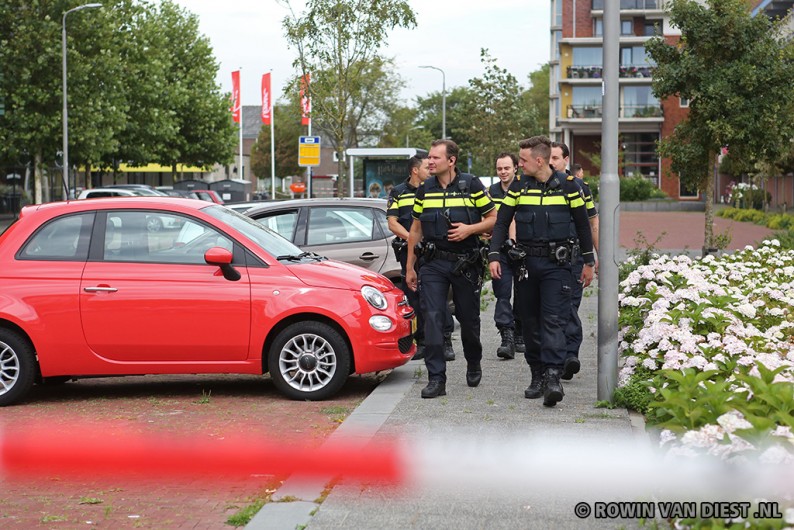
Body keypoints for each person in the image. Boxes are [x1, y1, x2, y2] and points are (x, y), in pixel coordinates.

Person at [489, 136, 594, 407]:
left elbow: (583, 226)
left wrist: (588, 262)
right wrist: (493, 255)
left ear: (539, 160)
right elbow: (501, 223)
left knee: (553, 321)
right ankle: (536, 374)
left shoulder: (569, 187)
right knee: (531, 323)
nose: (518, 164)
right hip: (526, 266)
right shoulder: (519, 187)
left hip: (557, 267)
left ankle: (552, 377)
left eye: (522, 160)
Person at [406, 139, 496, 398]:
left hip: (465, 262)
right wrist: (411, 267)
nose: (430, 162)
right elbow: (415, 229)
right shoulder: (424, 190)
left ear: (451, 161)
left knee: (468, 320)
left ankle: (474, 360)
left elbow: (493, 218)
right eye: (429, 158)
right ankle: (437, 379)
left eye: (435, 158)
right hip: (433, 264)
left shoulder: (472, 185)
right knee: (432, 318)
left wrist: (470, 229)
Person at [387, 155, 456, 362]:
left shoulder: (434, 190)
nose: (431, 169)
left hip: (432, 254)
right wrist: (412, 240)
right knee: (415, 300)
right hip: (409, 255)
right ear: (415, 171)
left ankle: (445, 341)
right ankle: (423, 342)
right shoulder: (398, 192)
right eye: (427, 167)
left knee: (437, 298)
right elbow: (392, 222)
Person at [550, 142, 599, 381]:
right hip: (548, 257)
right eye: (548, 158)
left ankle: (570, 355)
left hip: (574, 257)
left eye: (556, 158)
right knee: (552, 309)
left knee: (569, 305)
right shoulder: (540, 186)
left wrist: (595, 257)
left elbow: (591, 223)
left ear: (566, 160)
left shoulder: (579, 186)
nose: (551, 162)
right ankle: (558, 357)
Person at [486, 152, 524, 360]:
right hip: (500, 251)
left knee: (523, 294)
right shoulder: (491, 192)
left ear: (515, 168)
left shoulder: (525, 188)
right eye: (499, 169)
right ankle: (506, 337)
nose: (503, 172)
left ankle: (520, 333)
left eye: (506, 168)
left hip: (522, 251)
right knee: (502, 294)